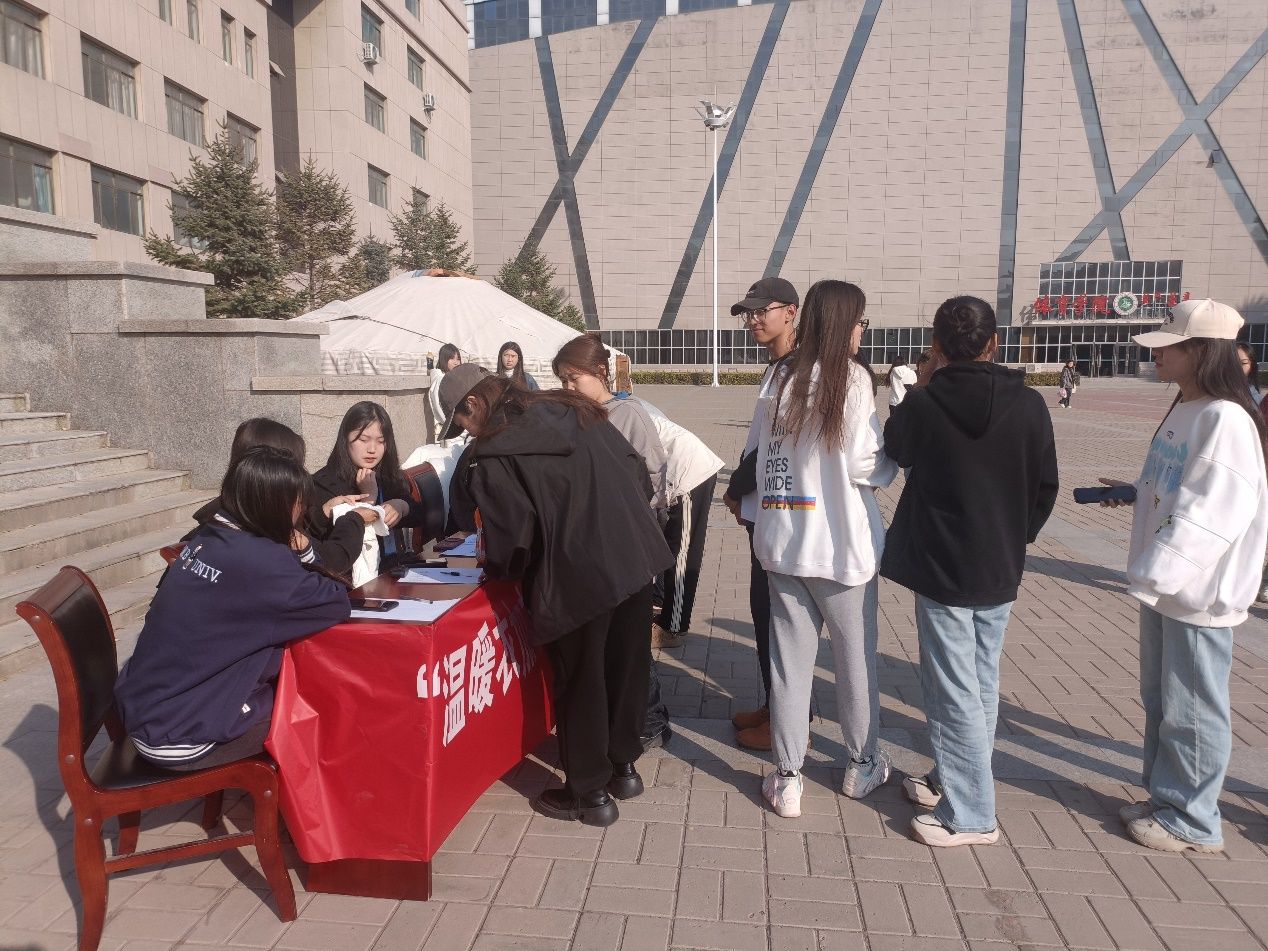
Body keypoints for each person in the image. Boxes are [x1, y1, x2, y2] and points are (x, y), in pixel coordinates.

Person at [441, 364, 674, 827]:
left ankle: (589, 793)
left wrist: (496, 568)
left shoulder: (494, 451)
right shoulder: (569, 407)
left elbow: (513, 540)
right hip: (633, 554)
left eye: (462, 422)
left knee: (582, 680)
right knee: (625, 666)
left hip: (575, 575)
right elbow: (637, 472)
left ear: (473, 404)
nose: (466, 433)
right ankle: (624, 770)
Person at [882, 296, 1058, 847]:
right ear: (994, 343)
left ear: (937, 346)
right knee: (980, 680)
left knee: (953, 688)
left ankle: (972, 813)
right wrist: (1017, 536)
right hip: (999, 563)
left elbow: (895, 447)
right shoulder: (1030, 404)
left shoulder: (926, 402)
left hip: (943, 565)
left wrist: (922, 384)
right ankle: (953, 778)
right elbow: (1046, 485)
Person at [1099, 299, 1267, 854]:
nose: (1158, 354)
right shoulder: (1189, 407)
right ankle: (1166, 797)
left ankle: (1194, 819)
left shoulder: (1225, 418)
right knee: (1163, 700)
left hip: (1198, 592)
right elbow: (1177, 487)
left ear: (1201, 352)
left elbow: (1212, 512)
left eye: (1169, 345)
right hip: (1168, 586)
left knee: (1192, 707)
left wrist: (1160, 571)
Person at [752, 279, 897, 819]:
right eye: (860, 321)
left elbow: (762, 455)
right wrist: (891, 460)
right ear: (843, 323)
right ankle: (861, 764)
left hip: (784, 540)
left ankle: (788, 777)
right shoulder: (852, 377)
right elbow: (865, 464)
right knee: (855, 662)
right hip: (842, 549)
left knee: (790, 665)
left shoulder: (781, 375)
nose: (862, 331)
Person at [115, 446, 350, 770]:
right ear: (277, 505)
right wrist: (305, 547)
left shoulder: (210, 536)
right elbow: (335, 601)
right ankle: (303, 798)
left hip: (148, 709)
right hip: (183, 734)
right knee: (315, 702)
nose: (304, 511)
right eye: (300, 502)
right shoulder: (262, 563)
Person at [551, 334, 678, 751]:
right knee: (610, 640)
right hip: (591, 542)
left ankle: (652, 720)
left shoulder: (628, 413)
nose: (569, 387)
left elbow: (655, 474)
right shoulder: (571, 416)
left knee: (632, 638)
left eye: (575, 378)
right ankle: (620, 717)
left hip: (629, 542)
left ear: (601, 372)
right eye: (563, 380)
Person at [722, 276, 799, 752]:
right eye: (748, 313)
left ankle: (786, 722)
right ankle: (775, 706)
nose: (753, 320)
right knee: (762, 612)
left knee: (776, 618)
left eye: (761, 311)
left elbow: (777, 445)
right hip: (762, 511)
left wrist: (736, 488)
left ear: (790, 311)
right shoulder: (777, 366)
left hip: (780, 512)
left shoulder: (797, 371)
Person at [185, 418, 378, 580]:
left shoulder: (220, 521)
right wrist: (355, 518)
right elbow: (330, 565)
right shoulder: (265, 546)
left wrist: (322, 513)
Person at [312, 402, 429, 571]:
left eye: (381, 441)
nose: (372, 449)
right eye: (363, 440)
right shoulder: (325, 482)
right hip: (352, 577)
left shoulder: (388, 475)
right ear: (345, 439)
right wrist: (369, 499)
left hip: (394, 569)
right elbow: (323, 535)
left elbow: (419, 515)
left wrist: (402, 506)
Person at [429, 343, 462, 442]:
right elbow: (441, 408)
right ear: (444, 359)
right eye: (452, 358)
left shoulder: (451, 378)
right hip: (450, 431)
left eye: (458, 359)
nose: (456, 362)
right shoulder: (441, 380)